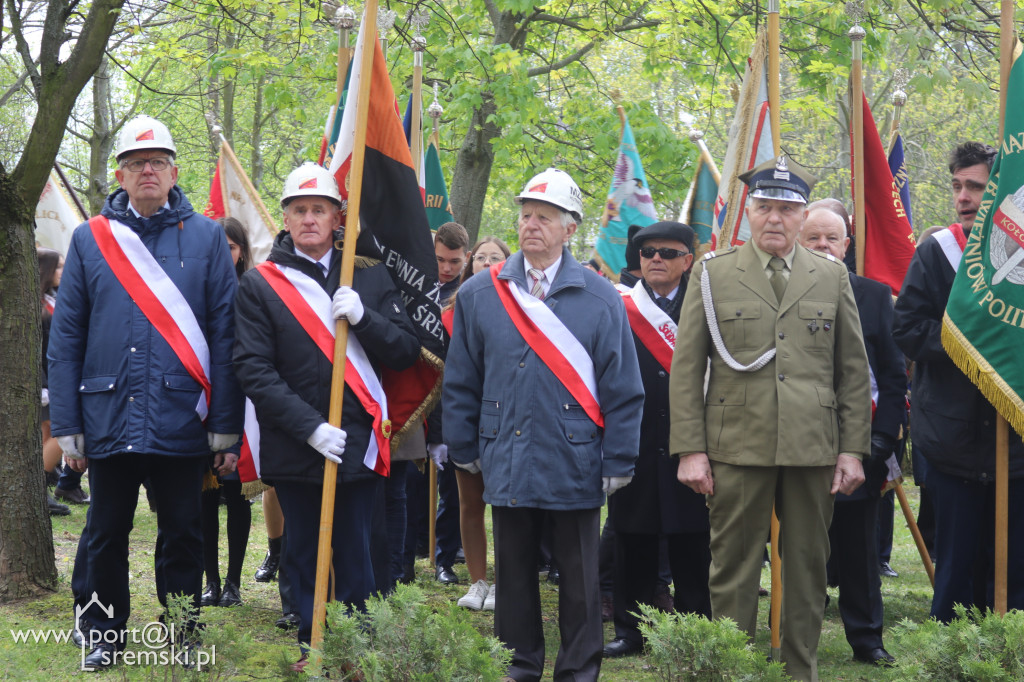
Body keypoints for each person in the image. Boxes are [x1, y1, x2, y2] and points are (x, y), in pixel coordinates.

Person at [48, 115, 244, 671]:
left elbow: (227, 336)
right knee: (104, 532)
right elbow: (66, 340)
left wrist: (225, 426)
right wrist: (67, 426)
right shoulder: (90, 241)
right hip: (107, 413)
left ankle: (182, 630)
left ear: (174, 171)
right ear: (121, 174)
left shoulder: (207, 237)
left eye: (157, 162)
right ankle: (101, 633)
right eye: (137, 164)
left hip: (183, 415)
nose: (148, 171)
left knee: (182, 531)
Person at [671, 155, 871, 682]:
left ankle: (800, 671)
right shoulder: (712, 275)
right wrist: (690, 450)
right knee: (733, 568)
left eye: (786, 209)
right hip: (736, 443)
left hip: (812, 446)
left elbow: (852, 370)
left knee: (807, 567)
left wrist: (852, 449)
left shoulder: (831, 277)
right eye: (764, 208)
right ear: (748, 213)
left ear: (804, 217)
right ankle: (731, 672)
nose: (775, 219)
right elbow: (687, 369)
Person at [444, 167, 645, 681]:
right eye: (526, 215)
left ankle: (579, 669)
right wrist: (464, 445)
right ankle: (519, 664)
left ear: (571, 227)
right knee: (512, 571)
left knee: (579, 577)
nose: (531, 225)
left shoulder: (602, 299)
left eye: (545, 217)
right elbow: (462, 380)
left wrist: (620, 458)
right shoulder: (478, 295)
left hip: (575, 455)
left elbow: (623, 388)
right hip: (504, 452)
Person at [233, 162, 420, 671]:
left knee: (357, 550)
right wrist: (309, 427)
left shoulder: (368, 276)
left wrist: (365, 318)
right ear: (286, 219)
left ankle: (355, 649)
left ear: (339, 218)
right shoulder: (260, 285)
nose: (309, 218)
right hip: (297, 441)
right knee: (302, 553)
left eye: (320, 209)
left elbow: (405, 351)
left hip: (357, 437)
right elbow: (253, 369)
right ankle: (310, 646)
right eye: (300, 210)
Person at [893, 142, 1024, 622]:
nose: (964, 197)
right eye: (956, 186)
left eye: (976, 186)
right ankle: (953, 656)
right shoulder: (938, 252)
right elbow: (906, 327)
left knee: (1015, 566)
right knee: (956, 567)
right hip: (952, 439)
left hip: (1017, 440)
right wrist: (968, 345)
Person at [799, 199, 904, 666]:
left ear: (847, 243)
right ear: (800, 241)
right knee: (798, 547)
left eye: (832, 238)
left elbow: (893, 375)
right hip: (795, 444)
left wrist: (879, 445)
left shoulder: (875, 296)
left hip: (857, 445)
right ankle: (797, 638)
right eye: (813, 237)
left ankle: (867, 639)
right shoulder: (780, 293)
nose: (823, 246)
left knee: (859, 550)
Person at [603, 221, 712, 659]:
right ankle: (632, 631)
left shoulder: (707, 305)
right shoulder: (619, 307)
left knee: (693, 542)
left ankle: (694, 628)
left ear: (688, 260)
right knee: (633, 539)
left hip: (695, 443)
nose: (655, 260)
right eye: (647, 252)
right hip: (637, 441)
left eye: (667, 253)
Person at [451, 236, 511, 611]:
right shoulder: (459, 305)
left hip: (508, 421)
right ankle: (478, 582)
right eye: (480, 257)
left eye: (496, 257)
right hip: (470, 417)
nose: (487, 263)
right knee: (470, 504)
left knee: (507, 509)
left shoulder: (521, 304)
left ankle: (508, 582)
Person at [198, 217, 253, 609]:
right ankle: (211, 582)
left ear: (241, 252)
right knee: (202, 499)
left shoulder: (252, 292)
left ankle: (233, 582)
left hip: (241, 404)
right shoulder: (191, 291)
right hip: (200, 405)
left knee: (236, 497)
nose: (224, 253)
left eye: (231, 247)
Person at [37, 247, 71, 516]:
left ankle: (41, 492)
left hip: (57, 378)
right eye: (59, 266)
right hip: (45, 382)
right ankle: (36, 489)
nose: (63, 270)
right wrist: (41, 384)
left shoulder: (52, 299)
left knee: (49, 433)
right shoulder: (35, 305)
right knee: (60, 433)